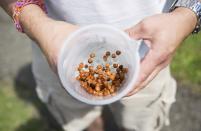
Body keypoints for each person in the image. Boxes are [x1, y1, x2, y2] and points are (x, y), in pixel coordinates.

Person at [0, 0, 199, 131]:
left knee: (140, 122)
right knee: (79, 120)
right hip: (57, 48)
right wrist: (37, 24)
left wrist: (187, 14)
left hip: (147, 55)